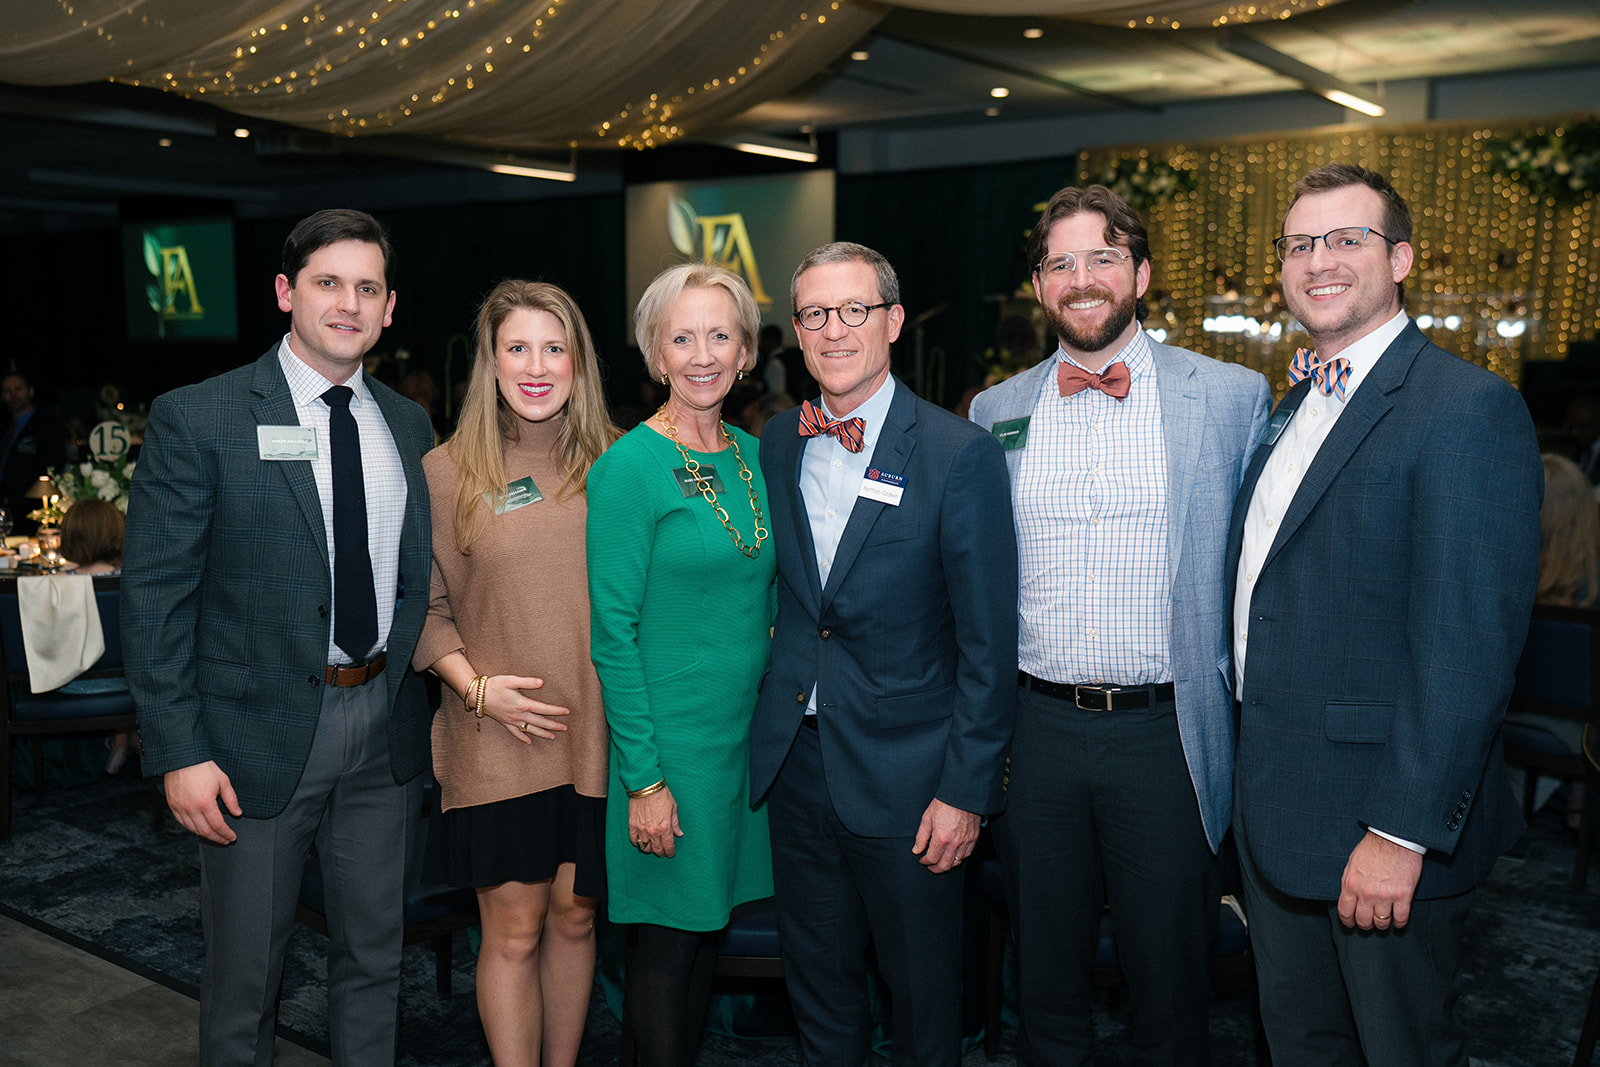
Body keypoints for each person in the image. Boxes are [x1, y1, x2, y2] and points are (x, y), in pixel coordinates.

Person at [1227, 163, 1542, 1064]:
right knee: (1302, 1043)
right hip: (1278, 811)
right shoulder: (1290, 405)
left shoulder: (1467, 409)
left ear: (1400, 258)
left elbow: (1468, 648)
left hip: (1380, 823)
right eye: (1299, 244)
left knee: (1400, 1048)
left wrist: (1401, 831)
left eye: (1345, 239)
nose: (1317, 261)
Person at [122, 209, 434, 1066]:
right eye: (328, 283)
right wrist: (178, 749)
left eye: (367, 287)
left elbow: (421, 582)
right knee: (245, 979)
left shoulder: (408, 427)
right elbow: (154, 599)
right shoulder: (203, 416)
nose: (348, 303)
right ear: (285, 293)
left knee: (375, 961)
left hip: (384, 727)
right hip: (249, 742)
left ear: (391, 307)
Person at [969, 185, 1271, 1066]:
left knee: (1170, 983)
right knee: (1047, 980)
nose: (1083, 277)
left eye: (1102, 256)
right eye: (1061, 262)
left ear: (1140, 274)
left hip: (1167, 733)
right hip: (1037, 732)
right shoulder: (995, 413)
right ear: (1038, 287)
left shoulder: (1229, 396)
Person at [749, 241, 1018, 1067]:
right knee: (820, 993)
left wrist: (965, 792)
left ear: (894, 321)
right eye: (815, 314)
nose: (835, 330)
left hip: (912, 787)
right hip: (799, 768)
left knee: (923, 1005)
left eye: (854, 310)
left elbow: (987, 643)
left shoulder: (955, 453)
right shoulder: (778, 442)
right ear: (796, 331)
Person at [413, 281, 617, 1067]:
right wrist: (475, 689)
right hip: (498, 738)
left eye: (554, 348)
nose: (537, 366)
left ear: (579, 362)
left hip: (601, 739)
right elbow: (422, 611)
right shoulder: (444, 471)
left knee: (574, 919)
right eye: (518, 347)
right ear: (490, 362)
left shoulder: (622, 461)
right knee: (514, 929)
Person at [586, 262, 775, 1067]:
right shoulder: (626, 469)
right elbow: (612, 634)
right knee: (665, 956)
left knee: (704, 946)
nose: (703, 354)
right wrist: (646, 780)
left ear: (746, 353)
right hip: (668, 753)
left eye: (721, 335)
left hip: (741, 752)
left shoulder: (755, 456)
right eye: (683, 336)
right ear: (656, 355)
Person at [58, 498, 135, 772]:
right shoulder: (131, 582)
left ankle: (121, 744)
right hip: (129, 687)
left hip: (69, 683)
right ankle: (124, 742)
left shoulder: (53, 586)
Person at [0, 372, 67, 535]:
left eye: (18, 389)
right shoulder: (5, 427)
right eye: (7, 391)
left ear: (30, 391)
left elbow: (52, 469)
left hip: (32, 515)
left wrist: (15, 499)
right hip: (6, 512)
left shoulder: (46, 426)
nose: (13, 395)